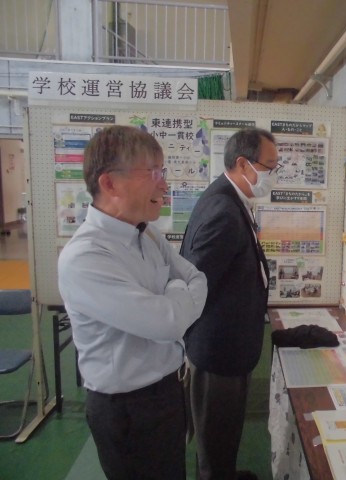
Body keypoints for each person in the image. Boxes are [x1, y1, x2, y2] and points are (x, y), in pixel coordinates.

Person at [58, 125, 207, 480]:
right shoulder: (86, 257)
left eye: (162, 172)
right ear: (110, 183)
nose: (164, 185)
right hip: (127, 410)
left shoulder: (147, 233)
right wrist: (176, 290)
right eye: (153, 173)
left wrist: (174, 293)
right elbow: (168, 322)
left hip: (168, 391)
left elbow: (199, 279)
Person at [180, 127, 278, 480]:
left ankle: (225, 473)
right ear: (243, 164)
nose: (273, 175)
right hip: (218, 351)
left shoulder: (231, 197)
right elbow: (197, 284)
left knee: (225, 432)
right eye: (269, 167)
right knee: (216, 436)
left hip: (229, 345)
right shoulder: (223, 209)